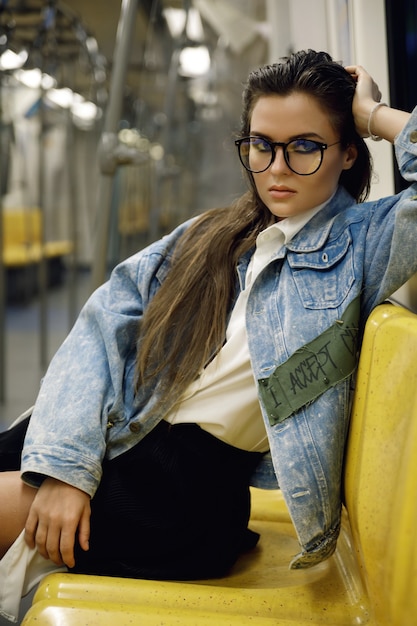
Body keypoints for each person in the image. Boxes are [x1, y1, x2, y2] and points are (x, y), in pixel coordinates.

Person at [0, 49, 416, 608]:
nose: (276, 169)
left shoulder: (365, 244)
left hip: (180, 492)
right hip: (114, 426)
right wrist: (65, 467)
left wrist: (371, 116)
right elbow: (101, 333)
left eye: (306, 148)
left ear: (346, 153)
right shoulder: (210, 235)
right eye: (262, 146)